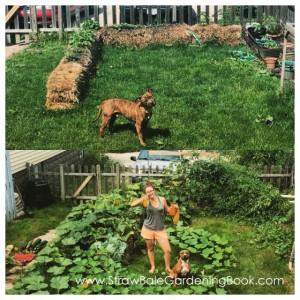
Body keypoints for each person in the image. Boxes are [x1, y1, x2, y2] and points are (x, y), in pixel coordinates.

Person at [130, 181, 178, 274]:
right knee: (151, 248)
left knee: (168, 250)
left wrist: (174, 208)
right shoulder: (146, 201)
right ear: (146, 193)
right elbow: (132, 204)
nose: (150, 193)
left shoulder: (162, 199)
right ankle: (153, 267)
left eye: (151, 191)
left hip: (160, 229)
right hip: (148, 229)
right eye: (148, 192)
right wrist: (143, 199)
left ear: (154, 190)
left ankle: (167, 268)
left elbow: (167, 210)